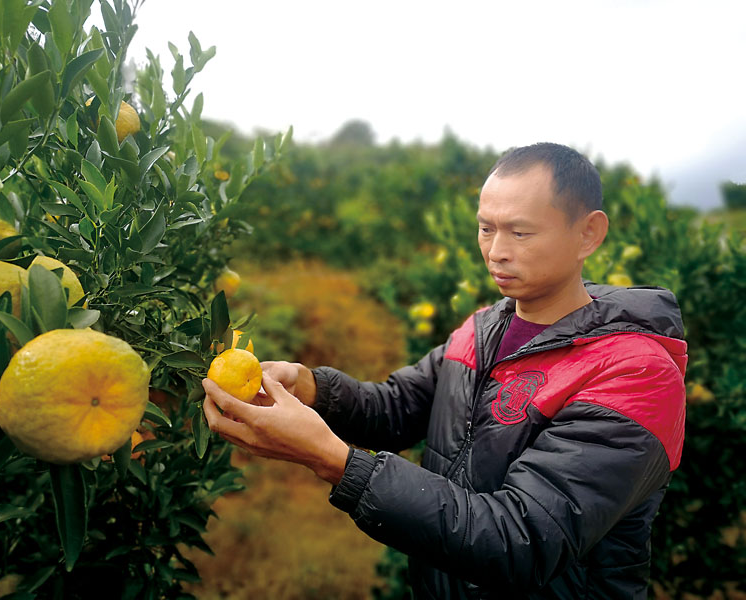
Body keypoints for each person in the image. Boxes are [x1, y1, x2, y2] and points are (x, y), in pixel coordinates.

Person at [202, 142, 687, 599]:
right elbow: (396, 408)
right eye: (485, 228)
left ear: (588, 233)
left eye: (520, 231)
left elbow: (519, 538)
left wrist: (332, 460)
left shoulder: (636, 375)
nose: (496, 250)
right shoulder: (480, 331)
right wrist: (309, 386)